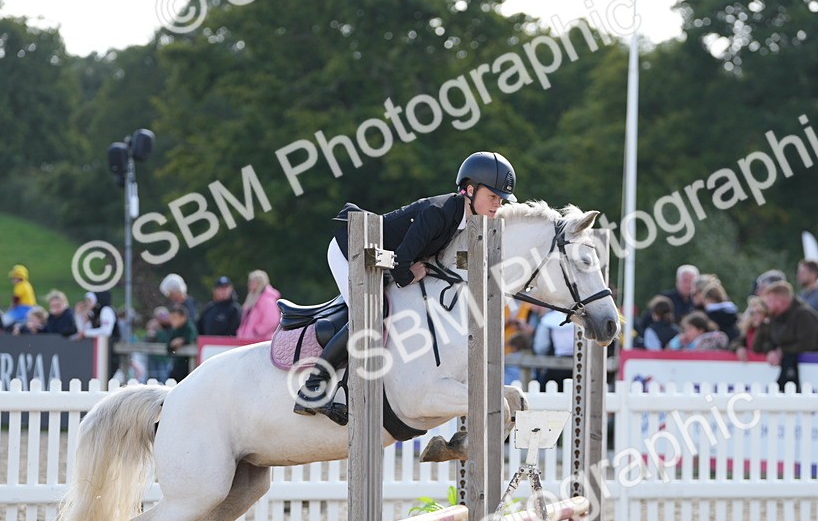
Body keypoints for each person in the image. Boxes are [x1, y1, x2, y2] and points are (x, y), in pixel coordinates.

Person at [295, 150, 516, 423]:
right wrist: (410, 273)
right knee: (370, 316)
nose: (498, 205)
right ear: (469, 190)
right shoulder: (438, 213)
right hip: (350, 249)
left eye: (501, 199)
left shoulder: (464, 220)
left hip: (379, 258)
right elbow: (401, 268)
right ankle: (313, 385)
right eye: (492, 197)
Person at [754, 281, 818, 390]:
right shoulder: (775, 316)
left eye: (769, 301)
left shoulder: (804, 314)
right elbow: (762, 343)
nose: (767, 305)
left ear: (780, 301)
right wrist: (770, 351)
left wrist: (781, 351)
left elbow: (807, 344)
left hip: (812, 375)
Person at [75, 290, 120, 378]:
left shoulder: (106, 310)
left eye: (89, 301)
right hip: (100, 351)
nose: (86, 303)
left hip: (110, 351)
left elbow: (106, 331)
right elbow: (82, 331)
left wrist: (86, 333)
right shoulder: (95, 313)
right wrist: (79, 315)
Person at [533, 307, 576, 389]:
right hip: (577, 365)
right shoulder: (577, 319)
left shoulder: (547, 319)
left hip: (553, 367)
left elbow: (541, 346)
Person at [236, 270, 281, 342]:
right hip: (248, 340)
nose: (249, 284)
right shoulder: (251, 298)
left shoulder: (267, 299)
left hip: (260, 341)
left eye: (253, 281)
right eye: (250, 281)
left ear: (260, 283)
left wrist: (257, 331)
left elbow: (271, 320)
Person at [165, 304, 198, 382]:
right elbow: (168, 347)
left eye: (175, 318)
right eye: (171, 318)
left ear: (183, 317)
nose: (172, 320)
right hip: (177, 363)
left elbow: (192, 338)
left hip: (188, 365)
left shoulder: (189, 327)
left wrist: (183, 340)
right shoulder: (174, 329)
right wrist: (172, 345)